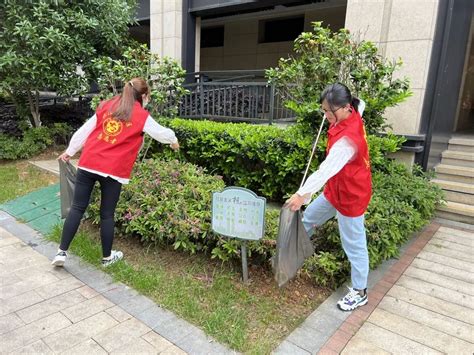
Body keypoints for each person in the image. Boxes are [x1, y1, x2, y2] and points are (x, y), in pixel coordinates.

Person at [52, 77, 179, 267]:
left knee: (77, 207)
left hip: (89, 163)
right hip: (112, 169)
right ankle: (107, 257)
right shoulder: (141, 115)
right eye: (148, 96)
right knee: (107, 214)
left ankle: (61, 253)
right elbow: (161, 133)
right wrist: (174, 140)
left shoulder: (107, 105)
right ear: (144, 96)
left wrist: (70, 151)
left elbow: (85, 130)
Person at [286, 82, 371, 311]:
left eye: (328, 111)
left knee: (354, 244)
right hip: (335, 189)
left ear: (343, 108)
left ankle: (360, 291)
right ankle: (294, 255)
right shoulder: (351, 110)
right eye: (323, 109)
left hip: (352, 195)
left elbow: (325, 170)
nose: (325, 115)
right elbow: (360, 104)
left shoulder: (347, 142)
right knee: (308, 220)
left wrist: (301, 195)